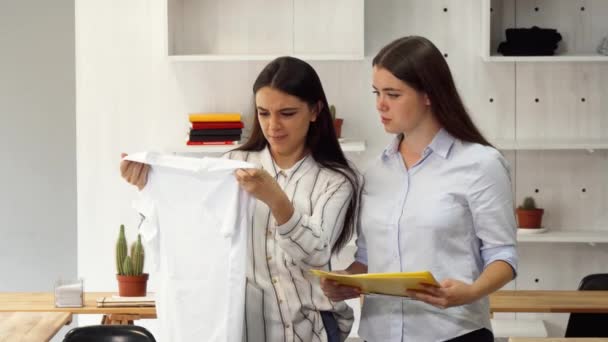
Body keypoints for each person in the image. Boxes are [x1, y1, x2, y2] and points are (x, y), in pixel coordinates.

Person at [120, 56, 360, 342]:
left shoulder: (336, 180)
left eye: (287, 113)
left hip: (313, 330)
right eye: (263, 113)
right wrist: (150, 183)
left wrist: (276, 200)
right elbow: (192, 225)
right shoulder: (233, 165)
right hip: (247, 331)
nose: (273, 126)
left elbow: (317, 253)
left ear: (315, 111)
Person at [320, 36, 518, 342]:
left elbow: (503, 254)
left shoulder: (481, 164)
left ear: (428, 95)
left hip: (453, 333)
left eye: (393, 94)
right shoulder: (375, 173)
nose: (380, 104)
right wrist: (347, 280)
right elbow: (368, 258)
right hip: (379, 334)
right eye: (377, 93)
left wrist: (471, 292)